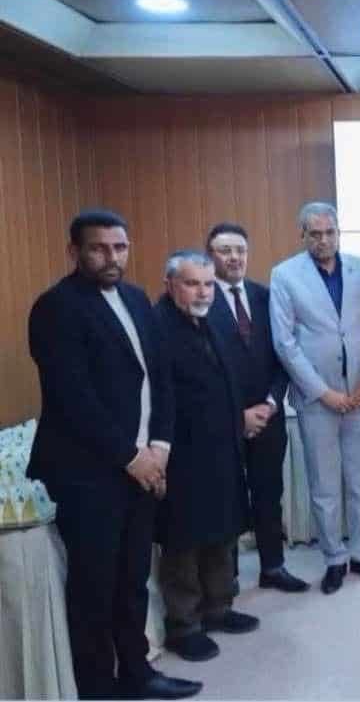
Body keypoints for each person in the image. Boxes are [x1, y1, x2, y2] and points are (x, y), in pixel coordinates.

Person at [27, 209, 200, 699]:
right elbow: (73, 398)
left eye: (119, 247)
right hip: (88, 473)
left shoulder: (136, 299)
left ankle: (138, 674)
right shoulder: (56, 308)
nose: (111, 257)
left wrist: (159, 448)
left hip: (143, 465)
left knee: (132, 580)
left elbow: (160, 377)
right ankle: (100, 688)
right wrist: (132, 457)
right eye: (99, 248)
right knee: (94, 588)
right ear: (75, 252)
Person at [269, 202, 360, 594]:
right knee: (324, 485)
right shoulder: (285, 275)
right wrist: (323, 393)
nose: (323, 239)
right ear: (302, 235)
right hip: (317, 398)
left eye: (329, 232)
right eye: (315, 233)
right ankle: (335, 558)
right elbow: (285, 343)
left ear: (339, 232)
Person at [153, 251, 258, 662]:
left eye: (208, 284)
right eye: (192, 283)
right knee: (184, 541)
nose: (203, 292)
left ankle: (219, 608)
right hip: (180, 454)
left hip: (221, 449)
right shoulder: (157, 327)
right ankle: (184, 625)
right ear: (170, 285)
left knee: (222, 531)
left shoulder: (210, 320)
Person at [205, 223, 307, 593]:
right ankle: (226, 576)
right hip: (222, 422)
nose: (234, 258)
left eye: (240, 251)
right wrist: (238, 416)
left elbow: (284, 354)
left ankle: (273, 567)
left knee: (268, 494)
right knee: (226, 499)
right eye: (225, 251)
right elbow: (202, 369)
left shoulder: (265, 296)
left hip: (268, 416)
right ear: (210, 256)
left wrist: (270, 402)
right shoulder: (200, 298)